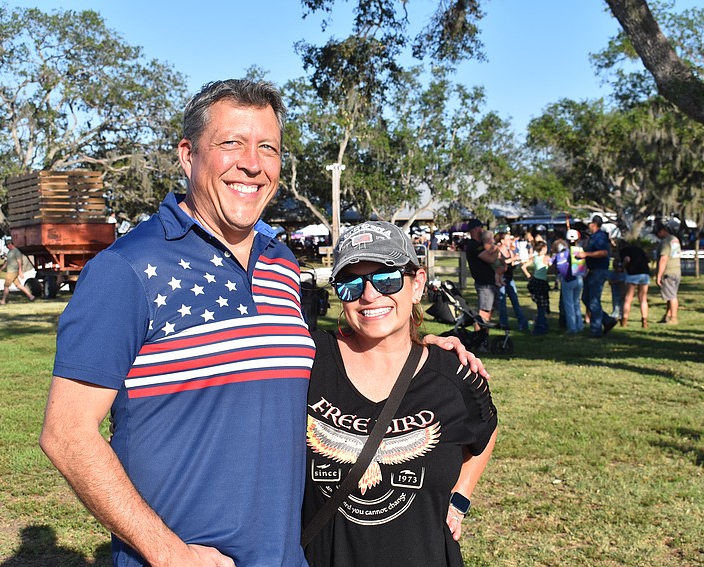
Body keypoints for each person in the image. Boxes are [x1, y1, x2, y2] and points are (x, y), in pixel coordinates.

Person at [39, 79, 484, 567]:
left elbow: (298, 358)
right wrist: (169, 554)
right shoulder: (127, 268)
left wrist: (413, 349)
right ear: (188, 155)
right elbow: (67, 433)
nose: (252, 163)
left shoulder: (281, 263)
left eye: (267, 147)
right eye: (231, 143)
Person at [303, 221, 497, 567]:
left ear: (417, 284)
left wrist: (461, 498)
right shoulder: (307, 361)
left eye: (386, 278)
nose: (369, 295)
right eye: (350, 284)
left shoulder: (452, 376)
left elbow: (487, 428)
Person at [576, 215, 617, 337]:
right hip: (592, 270)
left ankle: (596, 330)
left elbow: (603, 253)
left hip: (599, 271)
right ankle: (606, 320)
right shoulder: (593, 237)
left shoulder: (600, 237)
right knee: (586, 298)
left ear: (594, 224)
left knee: (593, 300)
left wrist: (586, 254)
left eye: (589, 223)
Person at [464, 220, 498, 331]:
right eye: (480, 227)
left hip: (489, 282)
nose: (482, 230)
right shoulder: (473, 245)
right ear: (475, 229)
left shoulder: (479, 244)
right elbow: (490, 259)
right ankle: (479, 336)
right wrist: (497, 250)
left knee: (489, 312)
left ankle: (483, 335)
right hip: (484, 283)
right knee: (484, 313)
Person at [553, 229, 585, 334]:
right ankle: (579, 325)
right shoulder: (580, 250)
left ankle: (572, 327)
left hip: (568, 279)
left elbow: (558, 265)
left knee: (569, 304)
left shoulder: (564, 252)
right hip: (579, 278)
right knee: (576, 303)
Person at [496, 231, 530, 331]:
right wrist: (513, 259)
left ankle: (522, 323)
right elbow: (500, 262)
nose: (510, 241)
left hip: (510, 278)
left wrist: (517, 261)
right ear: (502, 241)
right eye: (508, 239)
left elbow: (511, 264)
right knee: (502, 303)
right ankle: (504, 324)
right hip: (501, 278)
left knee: (515, 301)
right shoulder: (498, 251)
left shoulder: (510, 251)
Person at [654, 221, 682, 324]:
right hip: (676, 270)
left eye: (658, 233)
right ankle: (667, 315)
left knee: (672, 296)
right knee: (670, 295)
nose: (658, 235)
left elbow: (664, 258)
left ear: (663, 231)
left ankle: (674, 317)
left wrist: (659, 275)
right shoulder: (675, 239)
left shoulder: (666, 242)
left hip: (668, 271)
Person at [619, 242, 651, 328]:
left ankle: (624, 320)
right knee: (643, 298)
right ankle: (644, 321)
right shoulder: (640, 250)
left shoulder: (624, 250)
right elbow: (647, 261)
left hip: (633, 274)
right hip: (644, 273)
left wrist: (622, 266)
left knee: (628, 298)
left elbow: (627, 259)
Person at [521, 240, 550, 335]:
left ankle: (543, 324)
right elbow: (551, 267)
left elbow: (523, 267)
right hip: (542, 283)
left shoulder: (534, 258)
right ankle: (540, 327)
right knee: (543, 305)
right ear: (543, 248)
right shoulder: (546, 258)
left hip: (534, 282)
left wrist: (529, 275)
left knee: (539, 304)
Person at [0, 239, 35, 305]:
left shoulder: (16, 252)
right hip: (10, 271)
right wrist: (1, 269)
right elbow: (7, 262)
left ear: (10, 244)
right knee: (18, 285)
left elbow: (19, 262)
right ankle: (31, 296)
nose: (6, 247)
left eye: (7, 245)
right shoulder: (9, 252)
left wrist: (20, 271)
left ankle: (3, 300)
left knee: (6, 286)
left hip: (13, 271)